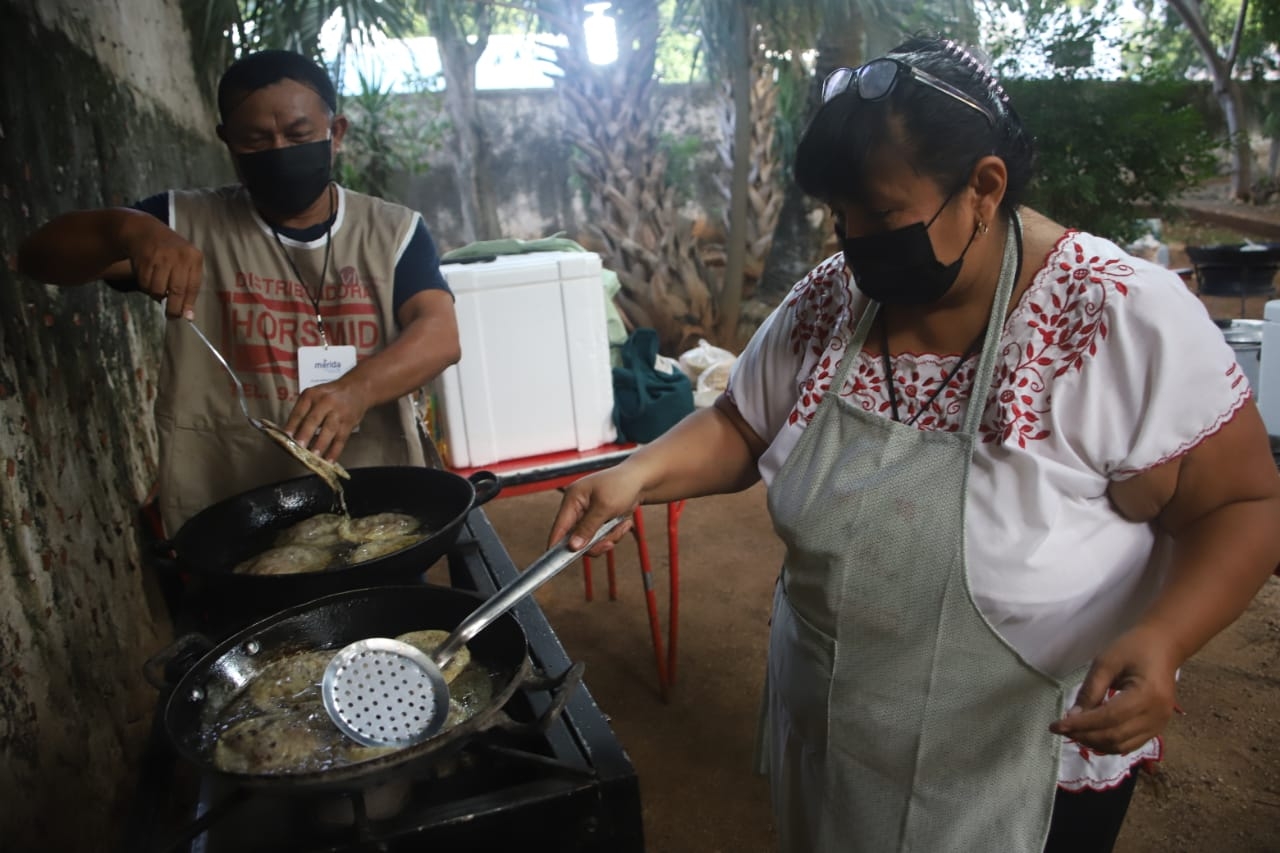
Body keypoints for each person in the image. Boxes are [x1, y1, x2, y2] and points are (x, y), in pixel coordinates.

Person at [549, 35, 1280, 852]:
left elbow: (1242, 503)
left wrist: (1165, 637)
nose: (853, 239)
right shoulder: (834, 298)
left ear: (984, 186)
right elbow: (742, 424)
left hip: (1016, 765)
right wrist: (638, 471)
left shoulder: (1114, 317)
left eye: (883, 214)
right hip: (835, 732)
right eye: (841, 213)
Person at [17, 50, 460, 535]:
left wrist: (358, 388)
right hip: (235, 514)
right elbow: (40, 257)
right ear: (226, 141)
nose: (279, 150)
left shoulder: (393, 232)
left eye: (298, 134)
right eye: (256, 140)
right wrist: (128, 230)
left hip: (373, 496)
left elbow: (439, 333)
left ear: (336, 134)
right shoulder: (185, 225)